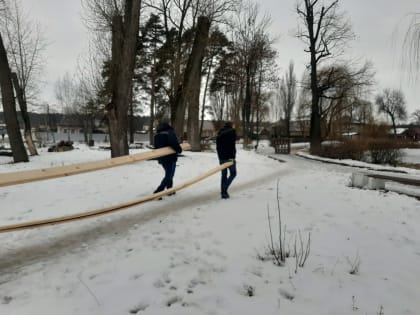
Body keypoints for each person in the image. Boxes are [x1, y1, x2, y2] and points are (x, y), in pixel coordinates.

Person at [153, 121, 182, 196]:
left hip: (161, 158)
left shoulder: (157, 134)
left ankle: (169, 190)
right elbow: (173, 143)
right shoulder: (169, 132)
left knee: (169, 174)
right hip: (170, 157)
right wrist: (179, 150)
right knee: (169, 175)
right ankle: (159, 191)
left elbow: (156, 147)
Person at [216, 122, 237, 199]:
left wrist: (220, 157)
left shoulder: (219, 133)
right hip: (229, 157)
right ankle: (224, 189)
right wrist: (232, 157)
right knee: (233, 173)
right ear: (231, 126)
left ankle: (223, 193)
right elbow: (232, 146)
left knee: (224, 175)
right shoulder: (232, 132)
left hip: (221, 157)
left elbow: (217, 147)